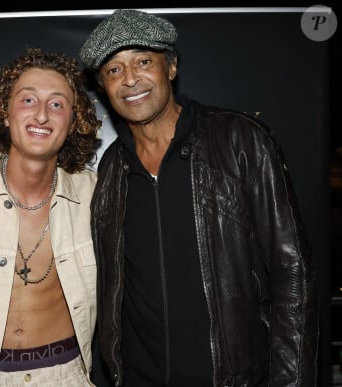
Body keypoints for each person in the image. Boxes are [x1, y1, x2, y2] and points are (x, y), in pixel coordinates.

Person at [79, 9, 320, 387]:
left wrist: (290, 381)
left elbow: (292, 272)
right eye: (114, 70)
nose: (130, 80)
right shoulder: (111, 168)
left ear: (170, 68)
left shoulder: (239, 140)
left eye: (143, 61)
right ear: (102, 85)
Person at [0, 47, 101, 386]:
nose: (42, 115)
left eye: (57, 104)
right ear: (5, 113)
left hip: (66, 374)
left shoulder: (96, 195)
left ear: (72, 123)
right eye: (28, 100)